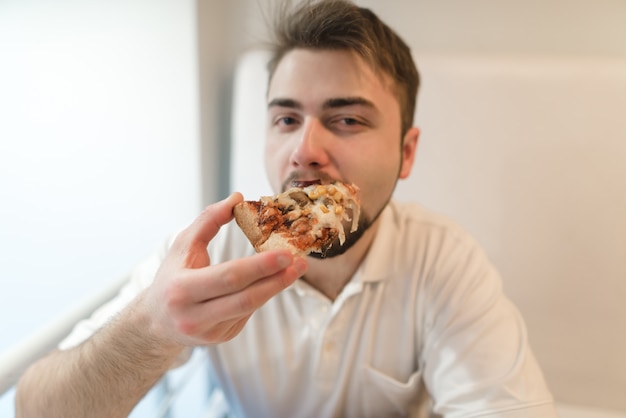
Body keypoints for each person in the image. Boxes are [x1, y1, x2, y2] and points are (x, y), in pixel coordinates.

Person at [15, 1, 559, 417]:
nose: (304, 150)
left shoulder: (442, 262)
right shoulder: (210, 251)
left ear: (406, 151)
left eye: (347, 119)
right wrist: (153, 327)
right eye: (285, 119)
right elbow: (36, 406)